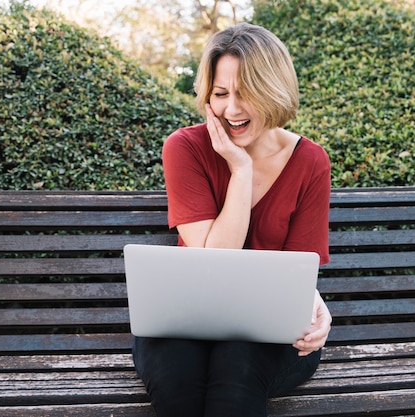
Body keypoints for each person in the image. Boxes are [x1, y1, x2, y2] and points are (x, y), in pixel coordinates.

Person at [132, 22, 333, 417]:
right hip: (182, 322)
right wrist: (240, 171)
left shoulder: (310, 161)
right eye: (220, 94)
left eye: (247, 94)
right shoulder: (185, 148)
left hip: (267, 332)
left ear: (274, 91)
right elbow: (214, 257)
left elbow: (298, 268)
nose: (232, 110)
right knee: (180, 388)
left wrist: (315, 305)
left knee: (236, 377)